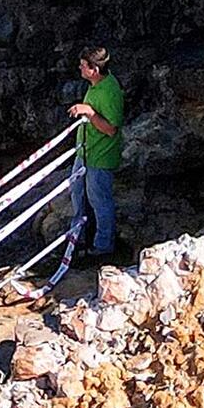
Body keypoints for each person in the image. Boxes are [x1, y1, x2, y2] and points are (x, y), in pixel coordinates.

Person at [67, 46, 124, 264]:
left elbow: (111, 128)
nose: (79, 69)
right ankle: (79, 238)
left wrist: (89, 112)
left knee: (99, 200)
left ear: (94, 69)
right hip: (85, 152)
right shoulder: (96, 84)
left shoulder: (109, 91)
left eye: (83, 66)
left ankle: (103, 246)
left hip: (100, 156)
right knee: (77, 195)